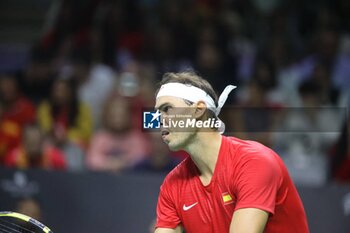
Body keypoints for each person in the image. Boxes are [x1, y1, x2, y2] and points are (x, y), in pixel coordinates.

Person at [153, 72, 309, 233]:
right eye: (158, 112)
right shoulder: (172, 185)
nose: (159, 119)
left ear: (198, 110)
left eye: (167, 109)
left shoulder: (254, 162)